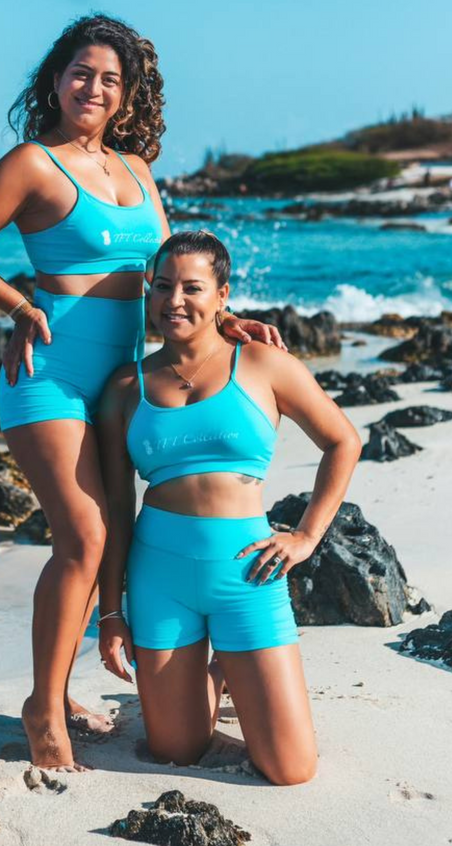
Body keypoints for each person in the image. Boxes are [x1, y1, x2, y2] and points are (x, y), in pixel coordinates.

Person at [0, 15, 284, 771]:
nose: (93, 88)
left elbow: (172, 273)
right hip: (48, 375)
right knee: (84, 538)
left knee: (110, 531)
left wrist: (225, 316)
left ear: (126, 96)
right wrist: (21, 305)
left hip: (122, 384)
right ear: (55, 79)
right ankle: (42, 710)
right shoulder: (33, 163)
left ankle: (57, 688)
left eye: (109, 79)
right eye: (81, 72)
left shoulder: (138, 170)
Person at [97, 230, 362, 784]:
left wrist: (308, 536)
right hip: (158, 577)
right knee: (176, 750)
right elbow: (116, 510)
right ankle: (213, 676)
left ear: (222, 295)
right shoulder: (127, 388)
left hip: (248, 572)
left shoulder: (264, 364)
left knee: (290, 769)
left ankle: (226, 665)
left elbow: (344, 440)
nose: (174, 300)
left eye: (192, 287)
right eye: (162, 286)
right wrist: (112, 611)